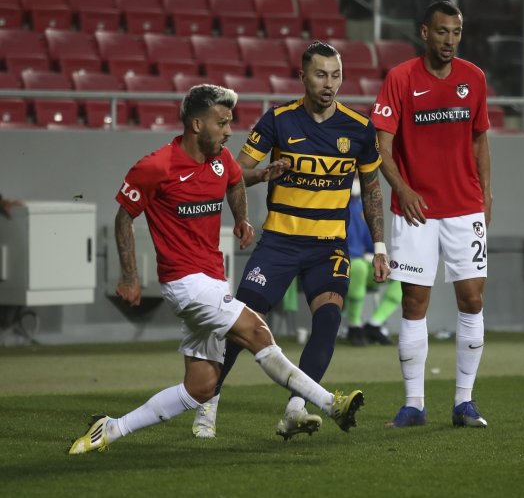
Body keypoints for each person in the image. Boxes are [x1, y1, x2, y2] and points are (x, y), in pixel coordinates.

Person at [68, 84, 364, 455]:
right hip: (186, 284)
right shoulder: (156, 166)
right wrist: (129, 275)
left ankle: (110, 430)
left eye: (229, 123)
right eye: (221, 123)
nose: (228, 131)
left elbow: (236, 179)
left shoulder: (220, 159)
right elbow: (124, 218)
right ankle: (328, 404)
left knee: (201, 387)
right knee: (258, 333)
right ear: (196, 124)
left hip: (211, 277)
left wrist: (242, 216)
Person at [190, 42, 389, 440]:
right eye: (320, 75)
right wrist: (264, 173)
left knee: (329, 320)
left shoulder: (360, 129)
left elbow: (372, 191)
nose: (329, 84)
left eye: (335, 75)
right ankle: (207, 403)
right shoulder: (278, 120)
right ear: (302, 77)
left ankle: (296, 410)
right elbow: (234, 172)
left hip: (328, 247)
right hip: (279, 243)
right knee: (239, 326)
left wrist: (380, 247)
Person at [370, 0, 491, 429]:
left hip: (464, 208)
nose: (450, 40)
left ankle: (464, 402)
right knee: (414, 302)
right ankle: (414, 404)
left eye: (456, 33)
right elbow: (381, 148)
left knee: (472, 299)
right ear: (424, 32)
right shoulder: (400, 79)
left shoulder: (473, 78)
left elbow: (479, 142)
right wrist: (403, 188)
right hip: (415, 211)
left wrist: (486, 196)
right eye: (442, 32)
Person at [345, 177, 399, 347]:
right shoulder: (333, 204)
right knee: (359, 268)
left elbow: (371, 244)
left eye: (357, 177)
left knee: (403, 273)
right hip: (338, 265)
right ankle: (354, 326)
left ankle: (375, 324)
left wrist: (376, 254)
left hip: (361, 261)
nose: (355, 181)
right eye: (352, 177)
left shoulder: (363, 207)